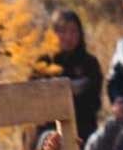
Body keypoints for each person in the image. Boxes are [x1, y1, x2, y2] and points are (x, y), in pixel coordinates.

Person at [33, 9, 103, 141]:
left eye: (74, 31)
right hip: (48, 131)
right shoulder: (43, 63)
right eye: (62, 31)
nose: (69, 37)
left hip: (82, 130)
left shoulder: (89, 64)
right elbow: (34, 102)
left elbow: (95, 103)